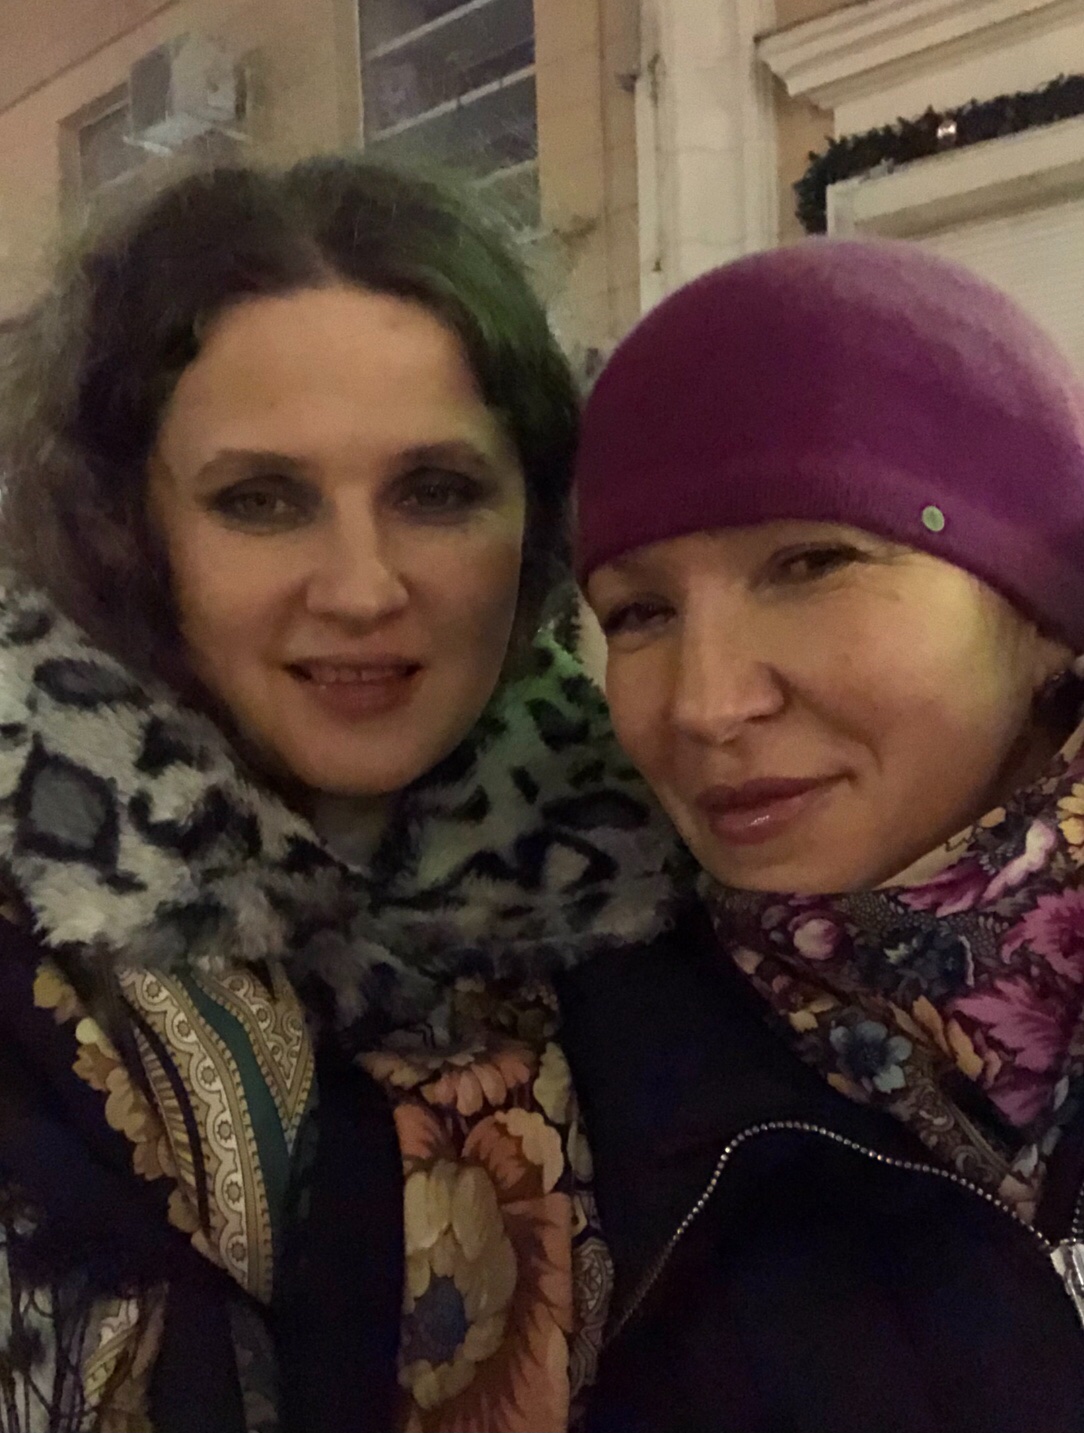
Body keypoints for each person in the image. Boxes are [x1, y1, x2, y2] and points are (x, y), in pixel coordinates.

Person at [0, 157, 683, 1432]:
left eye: (437, 491)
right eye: (261, 500)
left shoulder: (673, 892)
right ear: (125, 530)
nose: (363, 587)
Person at [562, 239, 1084, 1433]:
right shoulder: (574, 1107)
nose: (704, 703)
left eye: (809, 562)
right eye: (638, 612)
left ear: (1045, 612)